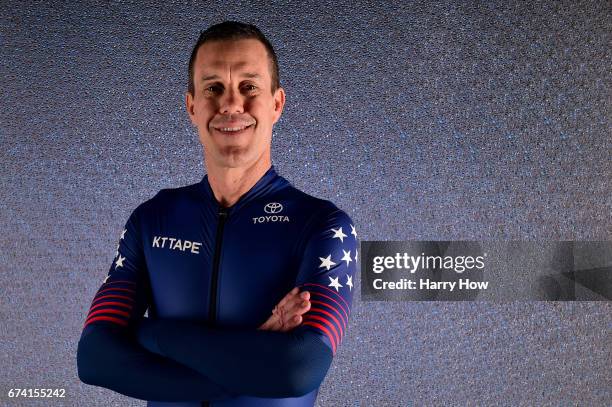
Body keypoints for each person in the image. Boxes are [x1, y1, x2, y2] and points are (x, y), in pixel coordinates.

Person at [77, 21, 358, 407]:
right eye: (213, 88)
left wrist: (151, 336)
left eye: (249, 87)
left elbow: (297, 368)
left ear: (277, 104)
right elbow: (95, 359)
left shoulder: (322, 226)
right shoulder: (153, 218)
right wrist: (253, 357)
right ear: (191, 106)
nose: (230, 104)